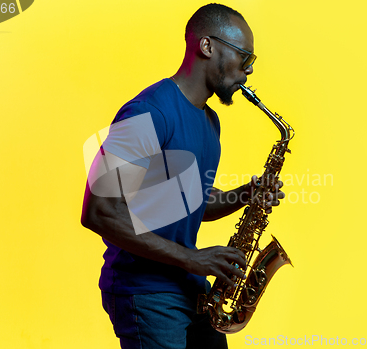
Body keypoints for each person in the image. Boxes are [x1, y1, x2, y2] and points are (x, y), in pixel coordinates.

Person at [81, 4, 284, 348]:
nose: (248, 71)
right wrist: (193, 258)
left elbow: (192, 200)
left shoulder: (209, 122)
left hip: (189, 287)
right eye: (244, 57)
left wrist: (245, 194)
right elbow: (99, 212)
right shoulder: (149, 113)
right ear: (207, 47)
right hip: (145, 293)